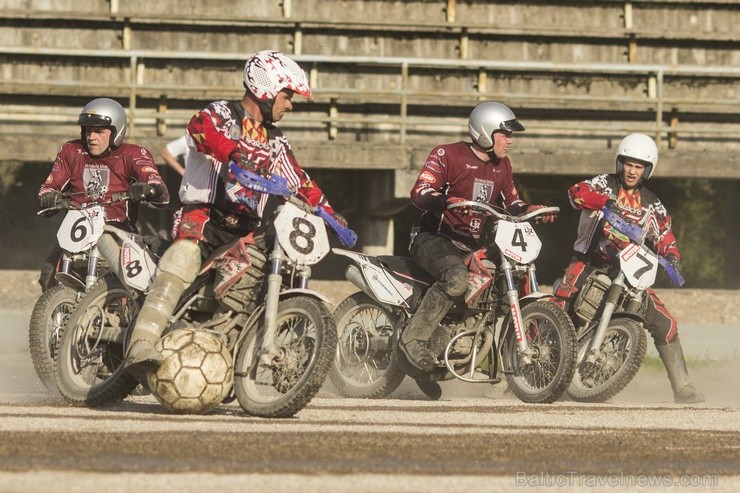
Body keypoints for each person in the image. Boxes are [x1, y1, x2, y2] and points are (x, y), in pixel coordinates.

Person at [124, 50, 346, 376]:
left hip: (245, 229)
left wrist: (329, 212)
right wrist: (233, 153)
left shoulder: (276, 140)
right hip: (203, 215)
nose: (291, 104)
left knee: (261, 271)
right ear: (266, 89)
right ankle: (140, 343)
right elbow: (199, 128)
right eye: (287, 95)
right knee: (182, 258)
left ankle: (230, 347)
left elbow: (300, 180)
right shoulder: (221, 113)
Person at [399, 101, 556, 372]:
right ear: (486, 131)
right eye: (505, 134)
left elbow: (513, 204)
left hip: (471, 246)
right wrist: (447, 201)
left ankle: (491, 361)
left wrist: (531, 209)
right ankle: (412, 340)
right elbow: (420, 192)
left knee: (500, 290)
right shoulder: (447, 155)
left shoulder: (503, 166)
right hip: (433, 238)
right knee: (457, 279)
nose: (510, 141)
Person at [552, 133, 704, 404]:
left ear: (648, 169)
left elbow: (665, 235)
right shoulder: (604, 184)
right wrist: (605, 203)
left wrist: (672, 258)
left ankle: (683, 387)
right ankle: (531, 371)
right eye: (629, 164)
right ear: (620, 162)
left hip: (630, 273)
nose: (632, 171)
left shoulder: (653, 204)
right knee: (560, 311)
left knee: (666, 323)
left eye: (639, 166)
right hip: (588, 264)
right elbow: (575, 194)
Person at [37, 97, 170, 291]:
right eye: (88, 130)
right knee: (48, 272)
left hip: (118, 231)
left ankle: (134, 310)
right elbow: (49, 186)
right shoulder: (70, 151)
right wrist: (49, 196)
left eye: (99, 131)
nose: (92, 137)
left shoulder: (134, 154)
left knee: (142, 282)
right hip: (78, 230)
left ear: (116, 131)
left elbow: (158, 186)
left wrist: (149, 189)